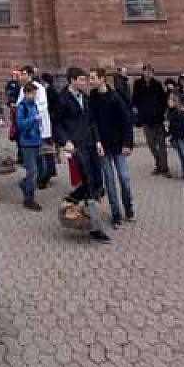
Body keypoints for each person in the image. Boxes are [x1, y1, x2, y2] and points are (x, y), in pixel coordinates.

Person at [54, 66, 111, 243]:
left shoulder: (85, 98)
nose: (85, 83)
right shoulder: (62, 99)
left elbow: (91, 122)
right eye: (81, 80)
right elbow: (56, 123)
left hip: (90, 144)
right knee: (88, 182)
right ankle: (95, 227)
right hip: (76, 146)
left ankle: (72, 199)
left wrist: (98, 141)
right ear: (72, 81)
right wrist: (65, 142)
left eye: (85, 80)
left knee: (96, 183)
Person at [90, 71, 135, 226]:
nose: (91, 81)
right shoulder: (92, 98)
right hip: (103, 146)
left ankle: (129, 208)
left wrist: (128, 144)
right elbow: (92, 122)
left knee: (124, 178)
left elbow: (127, 121)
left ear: (102, 79)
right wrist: (97, 142)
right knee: (109, 181)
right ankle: (116, 213)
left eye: (93, 78)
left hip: (118, 145)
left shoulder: (115, 97)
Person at [17, 66, 52, 188]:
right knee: (34, 160)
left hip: (39, 128)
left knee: (43, 156)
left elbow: (43, 106)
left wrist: (35, 117)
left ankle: (42, 179)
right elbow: (19, 104)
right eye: (20, 74)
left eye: (23, 74)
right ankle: (32, 181)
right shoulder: (23, 89)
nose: (21, 76)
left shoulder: (39, 88)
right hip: (28, 132)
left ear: (30, 75)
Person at [132, 64, 169, 176]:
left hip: (157, 120)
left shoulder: (157, 84)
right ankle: (158, 165)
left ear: (152, 73)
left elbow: (163, 100)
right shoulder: (138, 84)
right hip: (146, 120)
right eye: (146, 71)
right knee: (152, 145)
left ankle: (165, 168)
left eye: (150, 72)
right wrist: (138, 111)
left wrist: (161, 113)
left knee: (161, 144)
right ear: (143, 72)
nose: (147, 74)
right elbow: (135, 99)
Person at [16, 83, 43, 210]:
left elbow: (37, 122)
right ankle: (29, 199)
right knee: (33, 171)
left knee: (35, 171)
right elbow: (20, 125)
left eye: (35, 93)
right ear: (26, 93)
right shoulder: (21, 107)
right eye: (33, 93)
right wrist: (34, 119)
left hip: (36, 141)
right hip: (26, 142)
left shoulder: (35, 105)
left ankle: (25, 184)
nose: (34, 96)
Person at [166, 92, 184, 182]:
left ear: (176, 101)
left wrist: (171, 124)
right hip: (175, 137)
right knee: (181, 155)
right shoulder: (169, 111)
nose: (169, 102)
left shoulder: (181, 112)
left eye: (171, 100)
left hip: (182, 137)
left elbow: (182, 126)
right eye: (169, 100)